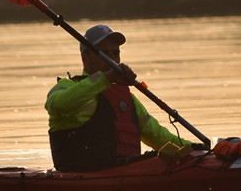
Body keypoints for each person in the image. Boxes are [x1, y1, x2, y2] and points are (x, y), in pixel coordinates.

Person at [45, 24, 193, 171]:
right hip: (80, 176)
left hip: (125, 174)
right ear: (86, 59)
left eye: (115, 53)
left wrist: (197, 149)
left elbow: (159, 136)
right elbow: (59, 105)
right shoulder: (66, 86)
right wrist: (106, 78)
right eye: (104, 54)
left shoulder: (126, 97)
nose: (112, 59)